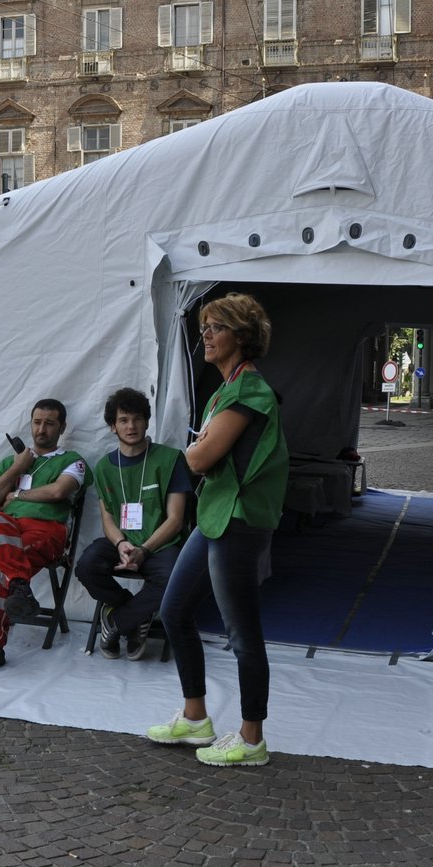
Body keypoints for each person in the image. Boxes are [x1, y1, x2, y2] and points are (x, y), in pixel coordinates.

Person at [148, 293, 288, 767]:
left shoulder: (249, 391)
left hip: (239, 520)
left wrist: (190, 453)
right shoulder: (223, 391)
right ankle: (195, 717)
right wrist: (197, 450)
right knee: (174, 611)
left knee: (242, 633)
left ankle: (251, 741)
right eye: (204, 326)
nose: (205, 335)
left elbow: (201, 457)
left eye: (216, 327)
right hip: (216, 515)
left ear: (242, 337)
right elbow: (202, 452)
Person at [0, 398, 92, 673]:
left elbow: (59, 491)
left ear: (62, 428)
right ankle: (20, 586)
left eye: (49, 424)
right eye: (37, 422)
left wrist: (17, 494)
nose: (41, 429)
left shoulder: (72, 461)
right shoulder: (11, 463)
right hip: (5, 528)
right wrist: (17, 468)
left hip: (45, 531)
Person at [75, 388, 193, 661]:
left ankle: (117, 621)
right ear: (112, 426)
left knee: (174, 579)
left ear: (147, 421)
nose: (132, 426)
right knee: (86, 565)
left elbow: (176, 520)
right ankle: (133, 613)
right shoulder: (105, 467)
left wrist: (145, 549)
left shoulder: (170, 458)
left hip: (161, 543)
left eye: (138, 419)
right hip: (123, 542)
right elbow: (108, 517)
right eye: (124, 420)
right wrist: (121, 543)